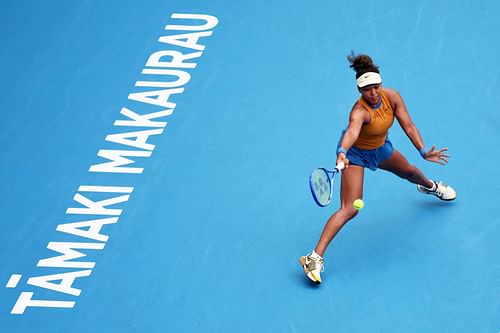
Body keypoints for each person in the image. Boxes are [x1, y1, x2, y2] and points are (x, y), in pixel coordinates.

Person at [299, 53, 457, 284]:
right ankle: (313, 258)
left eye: (376, 87)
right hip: (355, 155)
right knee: (350, 208)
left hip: (381, 148)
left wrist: (423, 150)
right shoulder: (359, 111)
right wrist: (342, 152)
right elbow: (352, 131)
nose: (372, 93)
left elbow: (408, 125)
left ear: (381, 84)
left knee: (411, 173)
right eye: (366, 89)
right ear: (359, 91)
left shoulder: (392, 97)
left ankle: (431, 187)